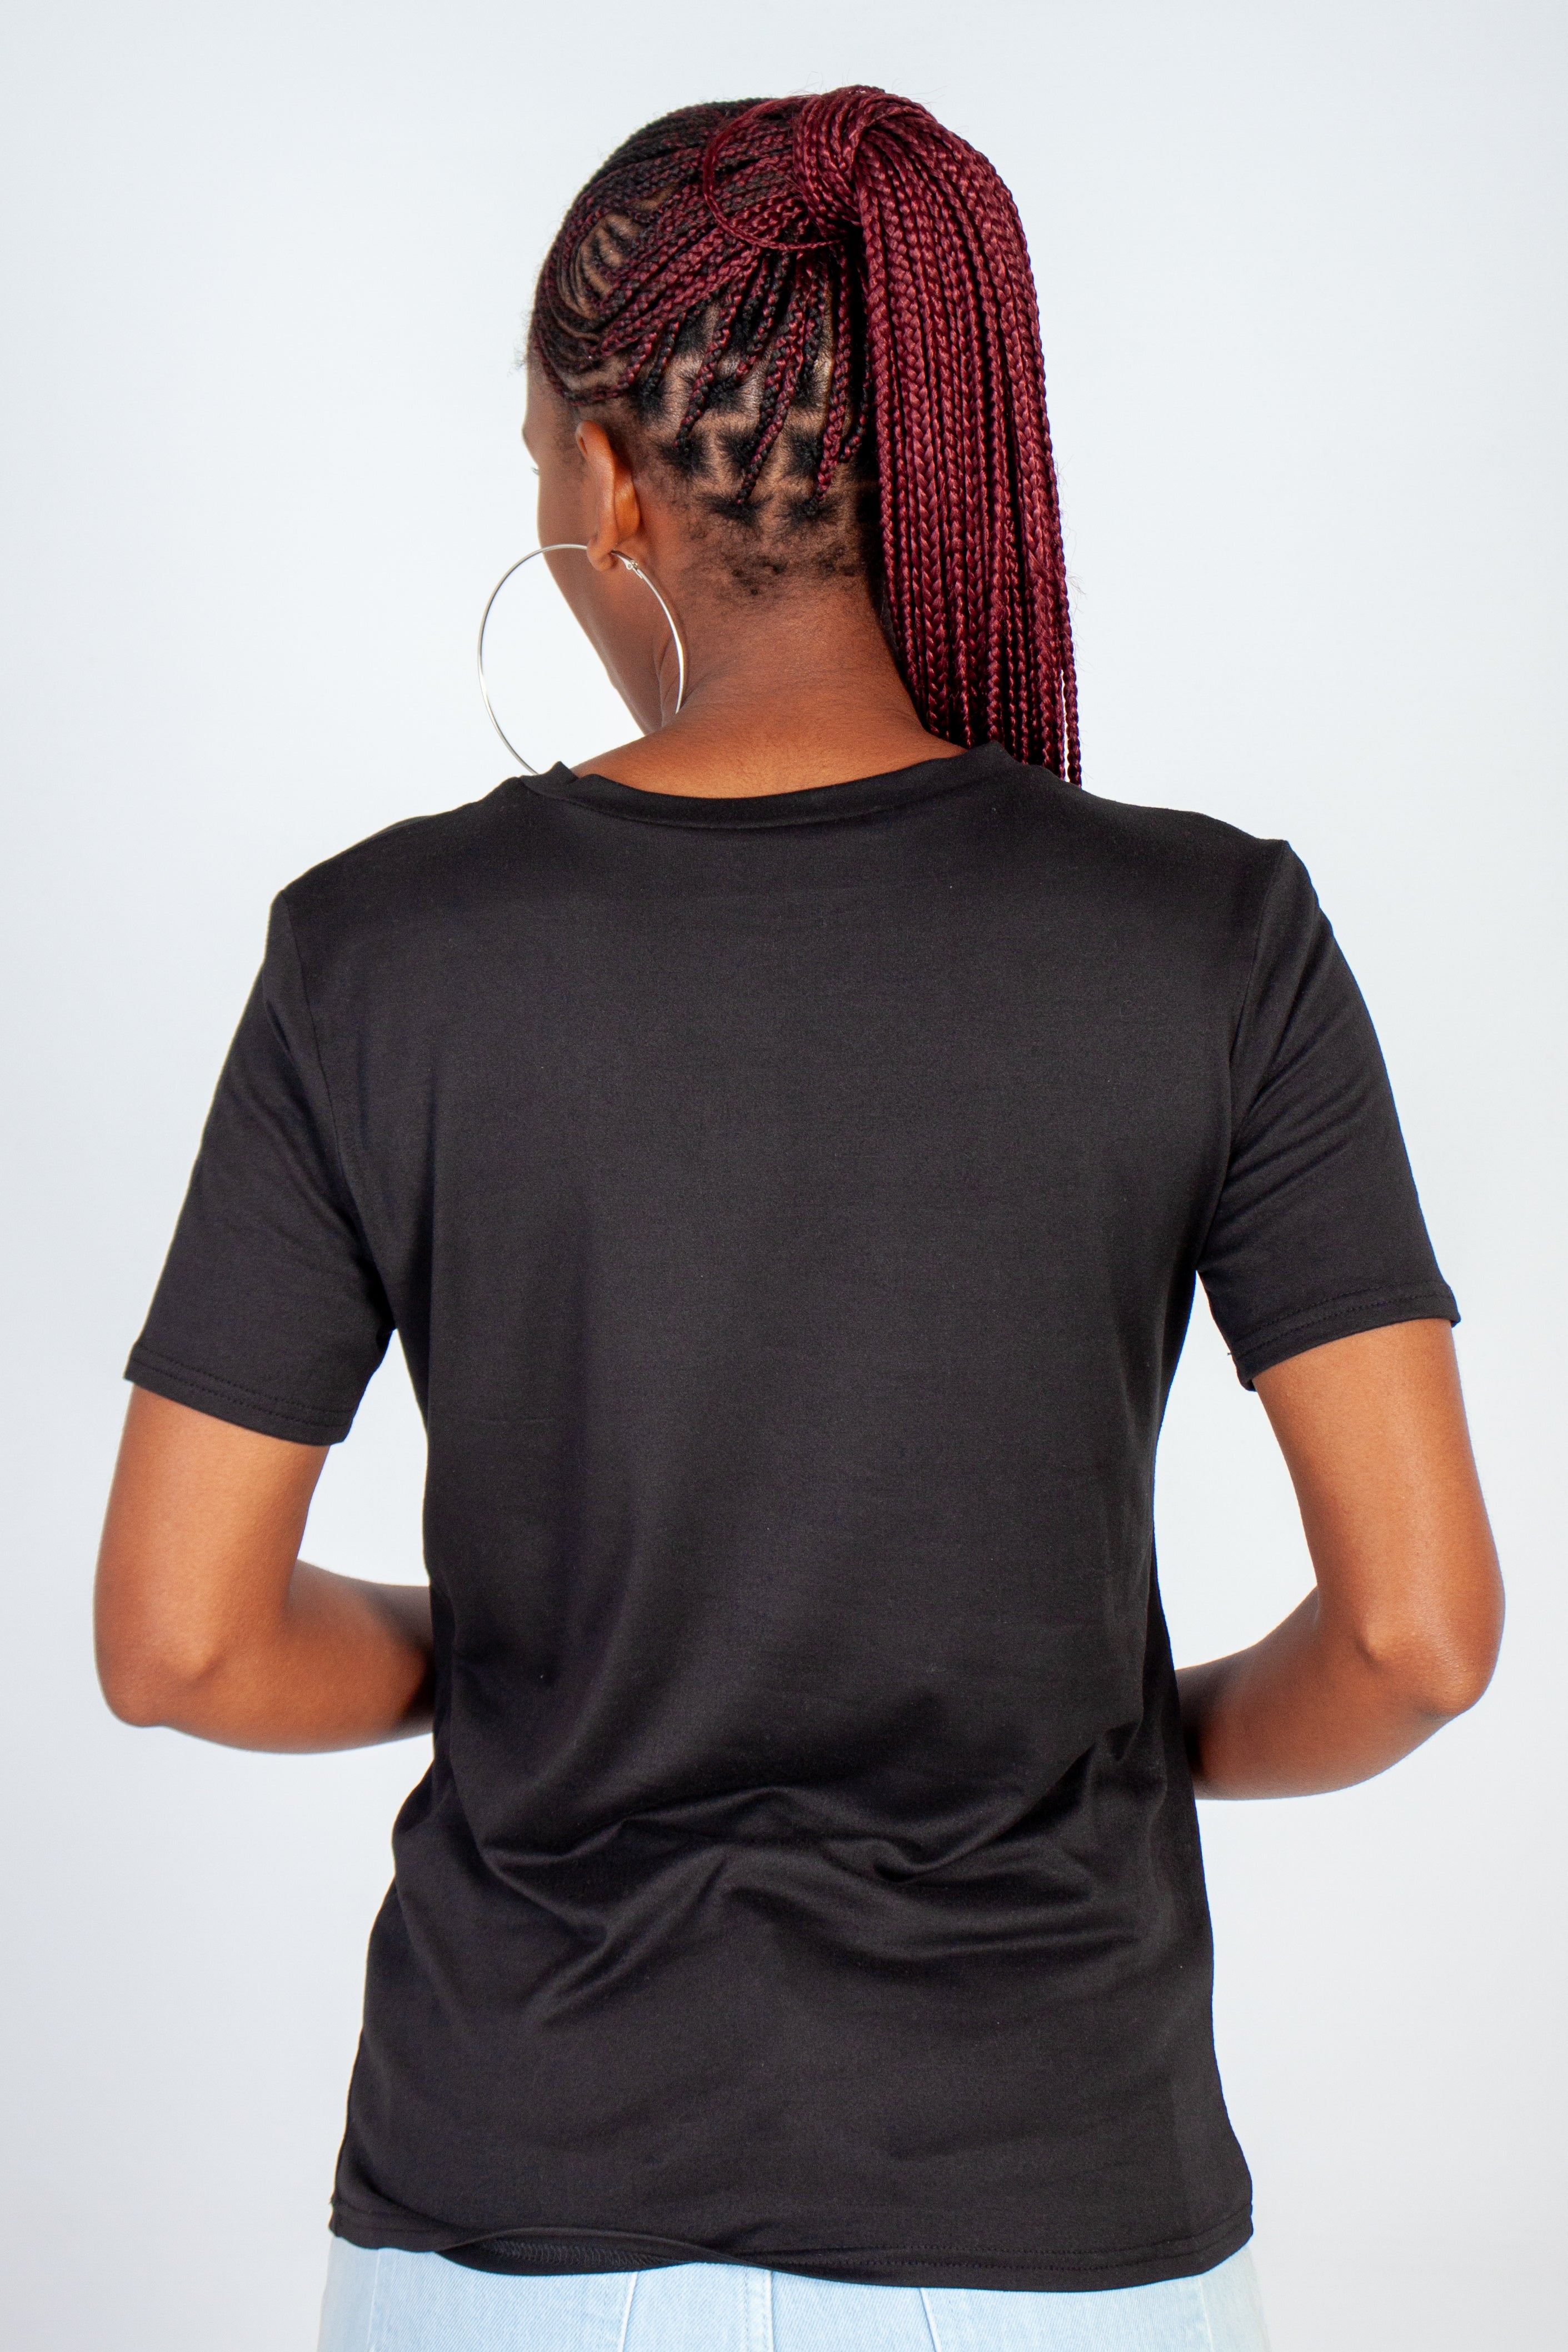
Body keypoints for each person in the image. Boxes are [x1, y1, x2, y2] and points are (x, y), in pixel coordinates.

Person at [93, 87, 1503, 2352]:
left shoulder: (377, 954)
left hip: (514, 2219)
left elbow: (178, 1640)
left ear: (606, 480)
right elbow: (1418, 1635)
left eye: (533, 454)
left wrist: (525, 1651)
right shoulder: (1212, 940)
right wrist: (1137, 1736)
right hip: (1059, 2221)